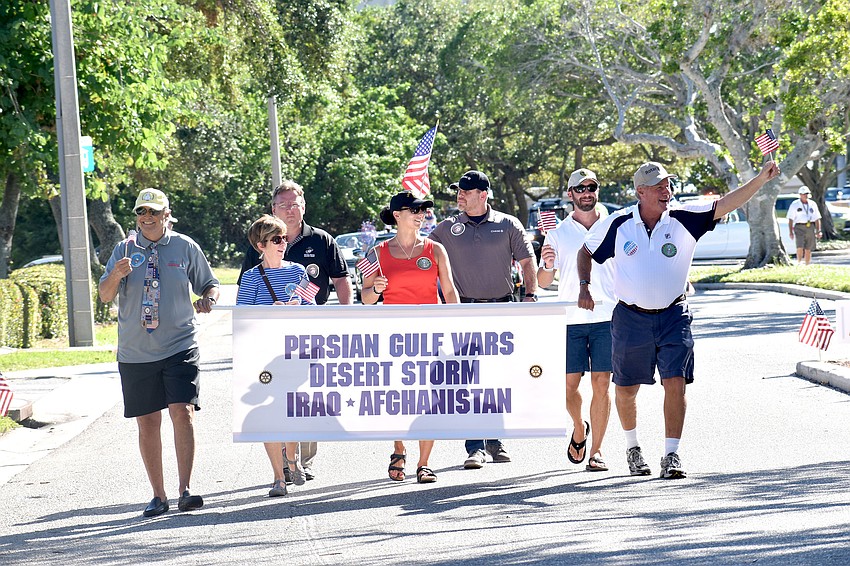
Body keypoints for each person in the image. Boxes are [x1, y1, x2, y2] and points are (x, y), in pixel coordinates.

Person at [578, 160, 780, 479]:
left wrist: (760, 179)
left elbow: (726, 202)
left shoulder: (684, 218)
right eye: (658, 186)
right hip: (630, 318)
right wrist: (584, 286)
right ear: (640, 192)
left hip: (674, 314)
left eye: (668, 184)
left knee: (676, 382)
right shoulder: (618, 223)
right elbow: (586, 251)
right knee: (626, 389)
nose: (666, 190)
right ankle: (632, 447)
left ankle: (671, 454)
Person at [99, 188, 220, 517]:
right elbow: (105, 295)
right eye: (142, 212)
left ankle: (185, 490)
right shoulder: (123, 249)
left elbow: (209, 283)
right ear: (136, 216)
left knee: (183, 412)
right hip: (136, 352)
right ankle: (158, 495)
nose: (147, 217)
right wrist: (115, 274)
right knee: (148, 423)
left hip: (180, 344)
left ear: (167, 215)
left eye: (154, 212)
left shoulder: (184, 246)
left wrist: (210, 298)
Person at [238, 180, 353, 482]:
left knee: (301, 403)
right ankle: (282, 470)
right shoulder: (255, 263)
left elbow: (337, 282)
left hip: (301, 343)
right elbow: (244, 309)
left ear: (303, 205)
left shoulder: (319, 243)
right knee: (271, 409)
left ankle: (301, 460)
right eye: (283, 204)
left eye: (294, 203)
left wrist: (343, 316)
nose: (289, 209)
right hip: (266, 348)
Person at [429, 170, 539, 469]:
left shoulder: (507, 224)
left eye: (465, 192)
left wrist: (530, 296)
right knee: (468, 377)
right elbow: (422, 256)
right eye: (458, 192)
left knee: (497, 377)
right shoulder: (446, 227)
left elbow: (528, 262)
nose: (459, 196)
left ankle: (496, 439)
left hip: (501, 309)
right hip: (463, 311)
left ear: (483, 195)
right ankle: (474, 446)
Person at [362, 191, 459, 484]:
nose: (421, 214)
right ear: (397, 215)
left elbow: (450, 292)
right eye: (414, 209)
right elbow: (366, 299)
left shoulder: (436, 250)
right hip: (394, 337)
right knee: (399, 399)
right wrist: (377, 289)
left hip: (431, 335)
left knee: (430, 399)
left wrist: (459, 326)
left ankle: (425, 462)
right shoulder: (376, 254)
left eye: (424, 210)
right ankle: (399, 447)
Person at [537, 168, 615, 472]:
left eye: (591, 187)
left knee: (602, 384)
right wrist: (547, 263)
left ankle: (596, 451)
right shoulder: (556, 233)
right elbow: (543, 282)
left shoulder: (613, 227)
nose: (586, 192)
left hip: (607, 315)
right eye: (579, 188)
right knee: (568, 387)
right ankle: (579, 427)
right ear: (569, 194)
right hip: (570, 318)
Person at [237, 214, 313, 497]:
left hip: (292, 353)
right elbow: (242, 318)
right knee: (268, 416)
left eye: (284, 238)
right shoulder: (251, 277)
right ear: (261, 245)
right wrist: (271, 311)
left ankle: (292, 459)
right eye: (276, 239)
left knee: (291, 411)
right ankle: (278, 477)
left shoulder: (297, 271)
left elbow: (312, 307)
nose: (283, 243)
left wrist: (297, 307)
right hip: (262, 354)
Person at [787, 186, 821, 265]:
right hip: (799, 227)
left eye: (807, 194)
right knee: (800, 245)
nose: (805, 195)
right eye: (804, 194)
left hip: (810, 226)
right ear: (800, 195)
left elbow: (817, 218)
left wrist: (818, 230)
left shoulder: (812, 204)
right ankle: (799, 262)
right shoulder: (795, 204)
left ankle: (807, 264)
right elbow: (790, 218)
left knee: (808, 247)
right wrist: (790, 232)